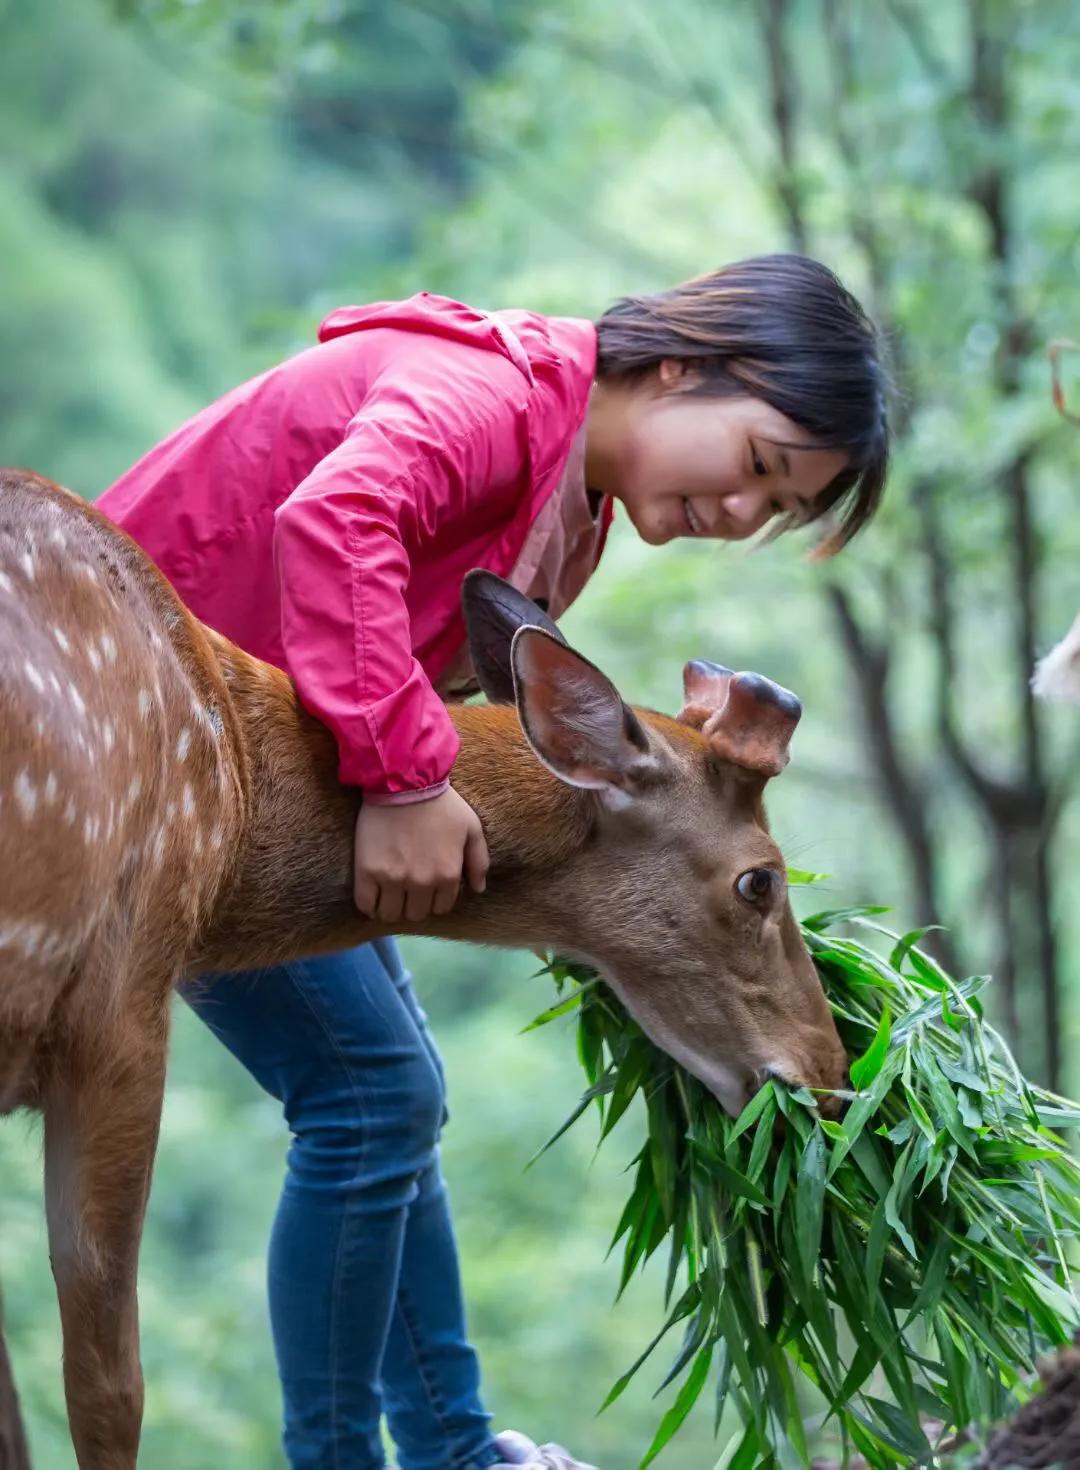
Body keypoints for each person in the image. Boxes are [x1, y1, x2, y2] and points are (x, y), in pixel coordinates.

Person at [99, 253, 889, 1470]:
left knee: (393, 1089)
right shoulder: (492, 396)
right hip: (144, 765)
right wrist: (407, 776)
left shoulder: (569, 516)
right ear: (680, 367)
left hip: (251, 775)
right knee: (375, 1095)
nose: (740, 518)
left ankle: (454, 1450)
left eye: (772, 514)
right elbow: (337, 518)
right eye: (756, 466)